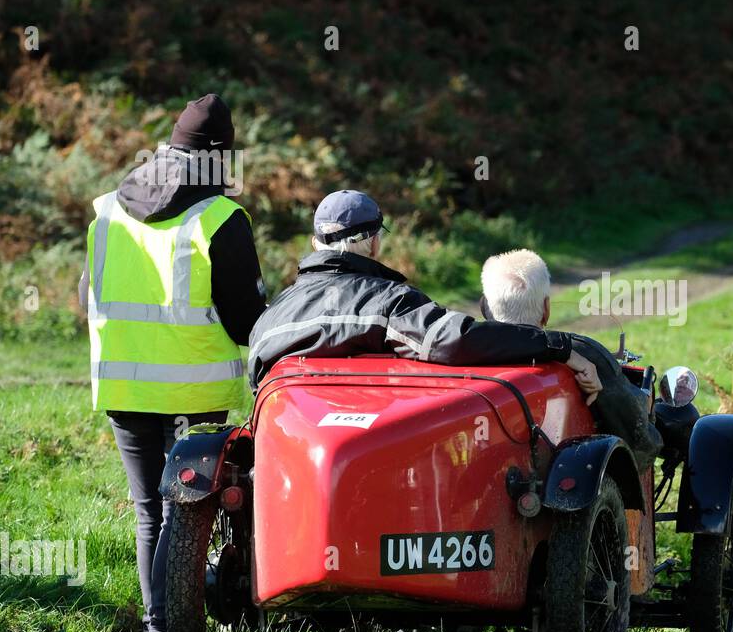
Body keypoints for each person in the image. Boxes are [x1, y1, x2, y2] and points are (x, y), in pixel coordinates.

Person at [80, 93, 266, 632]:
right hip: (192, 389)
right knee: (184, 511)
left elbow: (90, 294)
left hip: (124, 387)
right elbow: (246, 322)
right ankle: (170, 630)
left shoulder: (108, 209)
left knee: (148, 511)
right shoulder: (221, 219)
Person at [246, 191, 602, 400]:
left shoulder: (270, 318)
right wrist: (557, 346)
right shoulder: (388, 302)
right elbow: (457, 341)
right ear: (374, 243)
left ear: (315, 244)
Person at [480, 249, 662, 468]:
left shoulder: (458, 352)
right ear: (546, 309)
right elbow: (641, 442)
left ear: (486, 308)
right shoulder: (584, 356)